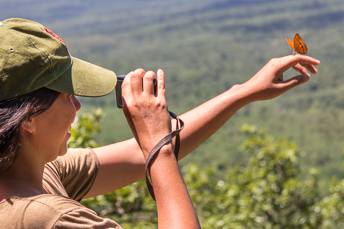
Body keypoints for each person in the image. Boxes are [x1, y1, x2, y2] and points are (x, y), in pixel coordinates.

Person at [0, 18, 320, 228]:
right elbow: (153, 154)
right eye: (67, 95)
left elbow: (138, 157)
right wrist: (158, 146)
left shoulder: (35, 171)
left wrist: (243, 93)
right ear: (29, 118)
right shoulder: (47, 218)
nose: (77, 105)